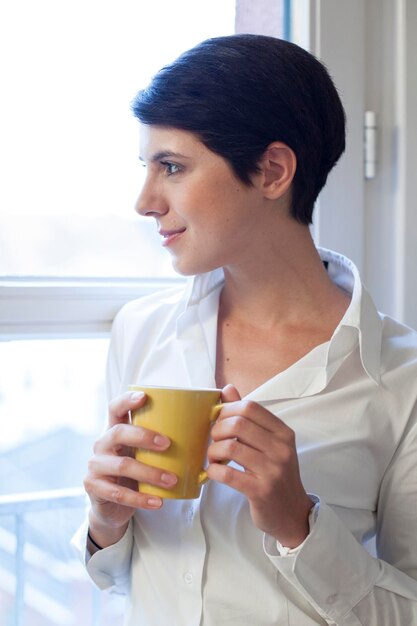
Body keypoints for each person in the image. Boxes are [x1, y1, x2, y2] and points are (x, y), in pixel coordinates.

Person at [72, 34, 417, 625]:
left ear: (272, 170)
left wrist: (300, 528)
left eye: (172, 167)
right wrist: (105, 522)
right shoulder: (141, 330)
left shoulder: (402, 380)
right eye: (146, 168)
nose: (144, 201)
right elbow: (119, 578)